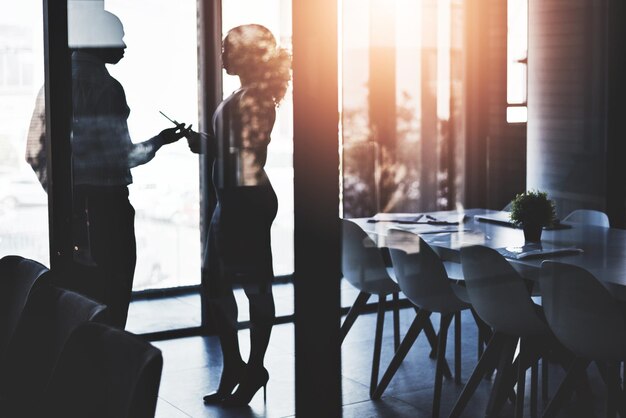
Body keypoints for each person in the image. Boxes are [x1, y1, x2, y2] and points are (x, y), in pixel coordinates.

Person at [25, 8, 188, 328]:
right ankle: (110, 373)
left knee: (79, 305)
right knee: (112, 302)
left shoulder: (53, 84)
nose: (125, 46)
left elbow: (34, 152)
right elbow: (123, 156)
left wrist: (65, 191)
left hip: (72, 208)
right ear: (98, 40)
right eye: (119, 38)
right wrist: (160, 141)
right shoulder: (107, 87)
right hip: (108, 209)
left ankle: (84, 373)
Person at [185, 24, 291, 406]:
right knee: (218, 286)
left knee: (253, 287)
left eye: (227, 49)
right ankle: (237, 365)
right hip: (232, 202)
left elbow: (247, 154)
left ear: (246, 54)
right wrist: (208, 145)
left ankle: (253, 365)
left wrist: (208, 146)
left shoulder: (257, 99)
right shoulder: (247, 95)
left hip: (245, 204)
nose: (222, 55)